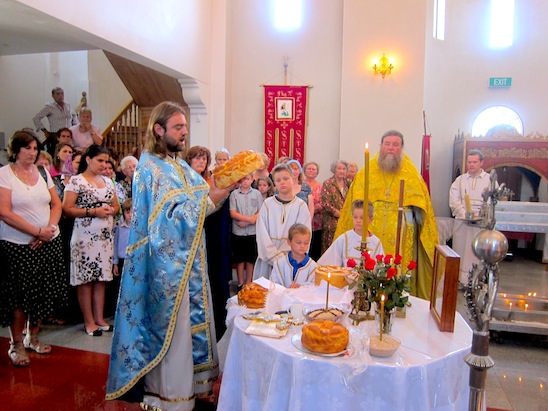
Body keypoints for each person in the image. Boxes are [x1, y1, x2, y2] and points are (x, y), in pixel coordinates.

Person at [106, 101, 234, 410]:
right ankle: (170, 398)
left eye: (185, 127)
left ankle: (192, 390)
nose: (184, 132)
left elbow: (201, 196)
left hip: (189, 262)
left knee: (189, 331)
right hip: (166, 268)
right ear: (159, 129)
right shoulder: (150, 168)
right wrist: (213, 198)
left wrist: (220, 187)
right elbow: (163, 224)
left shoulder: (177, 164)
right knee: (174, 335)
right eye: (178, 127)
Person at [335, 130, 438, 300]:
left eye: (395, 144)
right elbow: (355, 201)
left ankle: (396, 296)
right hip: (371, 225)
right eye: (387, 144)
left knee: (396, 266)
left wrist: (414, 213)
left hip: (400, 231)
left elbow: (422, 204)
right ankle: (365, 295)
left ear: (402, 147)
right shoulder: (367, 171)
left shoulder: (411, 173)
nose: (391, 148)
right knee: (369, 262)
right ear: (381, 146)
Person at [0, 130, 66, 366]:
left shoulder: (42, 172)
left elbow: (56, 204)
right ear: (15, 150)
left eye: (35, 148)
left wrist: (49, 230)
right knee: (18, 297)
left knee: (41, 293)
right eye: (27, 148)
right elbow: (4, 212)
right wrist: (36, 231)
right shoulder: (5, 174)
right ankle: (16, 344)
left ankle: (33, 336)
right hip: (17, 245)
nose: (32, 152)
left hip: (47, 241)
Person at [62, 144, 119, 336]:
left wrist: (110, 210)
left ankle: (100, 318)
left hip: (104, 237)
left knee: (101, 279)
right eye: (100, 160)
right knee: (86, 279)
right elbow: (67, 209)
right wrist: (93, 211)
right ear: (88, 159)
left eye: (106, 161)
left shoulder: (108, 181)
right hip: (84, 236)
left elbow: (116, 206)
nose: (103, 164)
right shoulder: (76, 181)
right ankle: (88, 321)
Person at [254, 164, 311, 280]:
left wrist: (288, 260)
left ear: (292, 179)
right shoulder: (268, 204)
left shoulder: (301, 206)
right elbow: (262, 234)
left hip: (292, 262)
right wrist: (275, 258)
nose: (282, 183)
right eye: (278, 180)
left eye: (285, 179)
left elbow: (304, 235)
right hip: (268, 261)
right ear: (274, 183)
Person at [449, 149, 494, 285]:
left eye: (475, 162)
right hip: (463, 224)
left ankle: (477, 280)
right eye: (469, 162)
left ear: (481, 163)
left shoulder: (490, 180)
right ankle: (461, 280)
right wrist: (465, 213)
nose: (471, 165)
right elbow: (454, 200)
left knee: (477, 252)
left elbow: (493, 201)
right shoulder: (460, 180)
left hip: (481, 225)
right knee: (461, 251)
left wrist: (481, 215)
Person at [318, 200, 384, 267]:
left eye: (362, 218)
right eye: (355, 217)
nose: (358, 221)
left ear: (371, 220)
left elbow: (380, 269)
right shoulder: (344, 239)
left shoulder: (376, 243)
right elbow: (328, 263)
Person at [229, 173, 263, 289]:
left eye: (247, 179)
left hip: (252, 232)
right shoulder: (234, 194)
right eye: (242, 179)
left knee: (250, 259)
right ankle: (240, 283)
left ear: (252, 179)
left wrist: (248, 222)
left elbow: (260, 211)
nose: (245, 181)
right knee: (240, 259)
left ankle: (249, 282)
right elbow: (233, 213)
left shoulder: (257, 194)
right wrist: (249, 219)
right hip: (238, 232)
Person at [32, 87, 77, 155]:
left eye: (62, 93)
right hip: (56, 135)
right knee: (57, 154)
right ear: (53, 96)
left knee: (69, 152)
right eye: (58, 94)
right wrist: (44, 130)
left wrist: (74, 124)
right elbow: (36, 118)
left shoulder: (67, 105)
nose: (60, 96)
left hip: (68, 134)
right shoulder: (49, 107)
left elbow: (74, 115)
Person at [271, 223, 317, 288]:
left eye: (306, 243)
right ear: (289, 242)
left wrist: (301, 289)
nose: (302, 246)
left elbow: (314, 289)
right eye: (298, 242)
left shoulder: (313, 267)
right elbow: (272, 286)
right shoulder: (279, 264)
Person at [107, 198, 131, 317]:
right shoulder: (120, 229)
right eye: (127, 212)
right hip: (122, 260)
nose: (130, 215)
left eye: (133, 212)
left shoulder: (138, 230)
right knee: (120, 286)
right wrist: (115, 263)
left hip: (134, 261)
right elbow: (116, 246)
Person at [320, 160, 351, 253]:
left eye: (344, 169)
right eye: (339, 168)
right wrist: (341, 215)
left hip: (346, 222)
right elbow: (326, 204)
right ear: (334, 170)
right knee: (331, 249)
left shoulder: (349, 183)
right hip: (331, 223)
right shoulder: (328, 183)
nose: (342, 171)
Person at [303, 161, 323, 260]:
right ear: (304, 171)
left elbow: (323, 202)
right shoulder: (300, 185)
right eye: (309, 169)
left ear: (317, 172)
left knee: (315, 249)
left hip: (316, 223)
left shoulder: (321, 186)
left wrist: (312, 210)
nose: (311, 171)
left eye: (313, 169)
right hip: (302, 220)